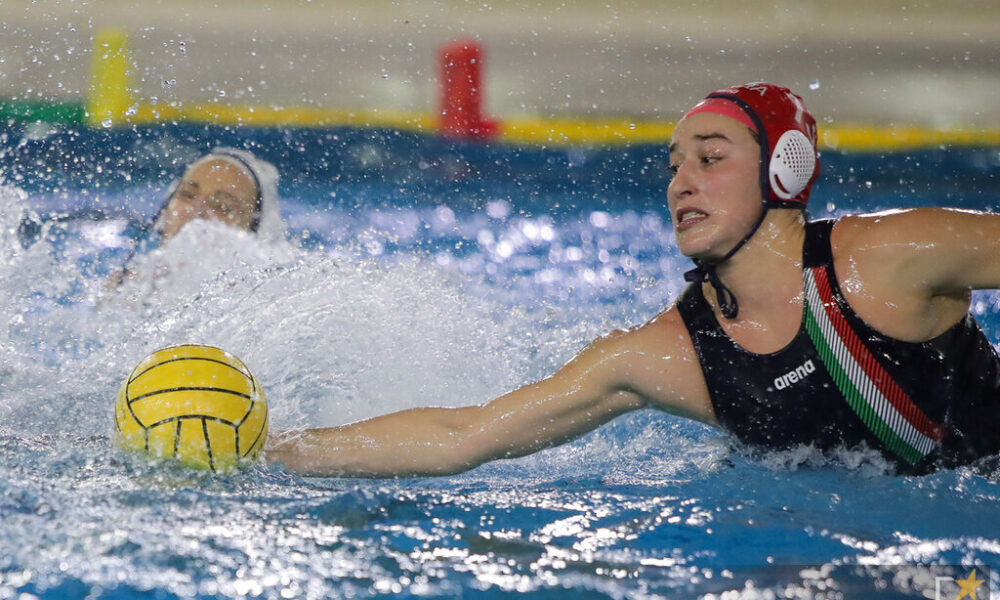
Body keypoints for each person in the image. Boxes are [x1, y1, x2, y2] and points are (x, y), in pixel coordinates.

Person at [265, 82, 1000, 477]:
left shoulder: (892, 256)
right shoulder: (665, 355)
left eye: (710, 158)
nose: (682, 182)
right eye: (674, 165)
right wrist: (274, 449)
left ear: (785, 170)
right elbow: (464, 434)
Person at [107, 148, 285, 288]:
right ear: (165, 211)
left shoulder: (259, 300)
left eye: (223, 206)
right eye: (187, 194)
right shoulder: (127, 288)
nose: (197, 212)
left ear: (251, 230)